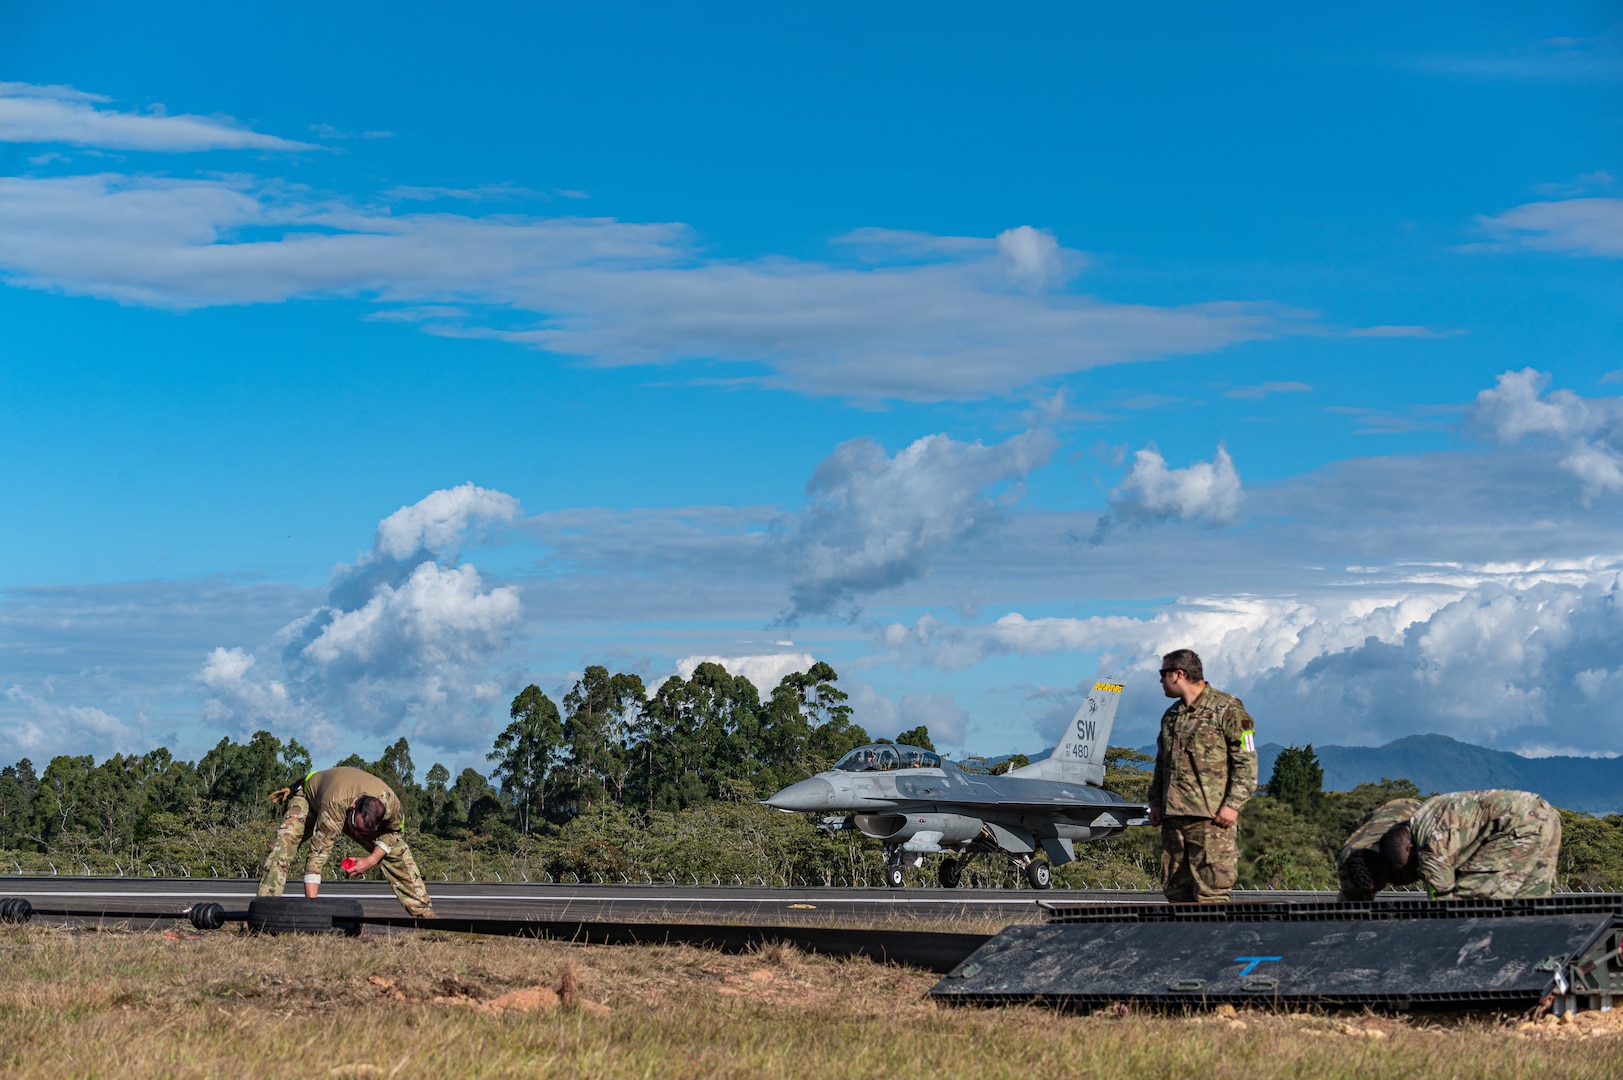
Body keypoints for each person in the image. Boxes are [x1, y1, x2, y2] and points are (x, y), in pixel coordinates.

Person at [1145, 649, 1258, 903]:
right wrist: (1155, 802)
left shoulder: (1228, 708)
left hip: (1212, 818)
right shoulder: (1171, 716)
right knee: (1176, 892)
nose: (1161, 681)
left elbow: (1247, 759)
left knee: (1212, 893)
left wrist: (1233, 805)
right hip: (1174, 819)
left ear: (1179, 674)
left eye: (1163, 674)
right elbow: (1162, 764)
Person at [258, 765, 436, 917]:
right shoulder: (335, 806)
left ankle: (426, 915)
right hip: (310, 799)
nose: (354, 834)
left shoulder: (392, 807)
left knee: (397, 851)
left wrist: (371, 860)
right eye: (352, 826)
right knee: (282, 846)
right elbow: (317, 856)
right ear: (352, 809)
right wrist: (312, 913)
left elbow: (394, 832)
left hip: (349, 808)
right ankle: (263, 910)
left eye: (361, 832)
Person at [1379, 789, 1562, 900]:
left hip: (1516, 823)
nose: (1417, 871)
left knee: (1471, 897)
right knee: (1533, 896)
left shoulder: (1429, 842)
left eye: (1411, 865)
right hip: (1545, 814)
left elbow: (1441, 891)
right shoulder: (1427, 812)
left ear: (1409, 848)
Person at [1337, 797, 1422, 900]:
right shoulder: (1347, 862)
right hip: (1378, 821)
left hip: (1412, 811)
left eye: (1375, 888)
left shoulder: (1416, 847)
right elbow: (1349, 907)